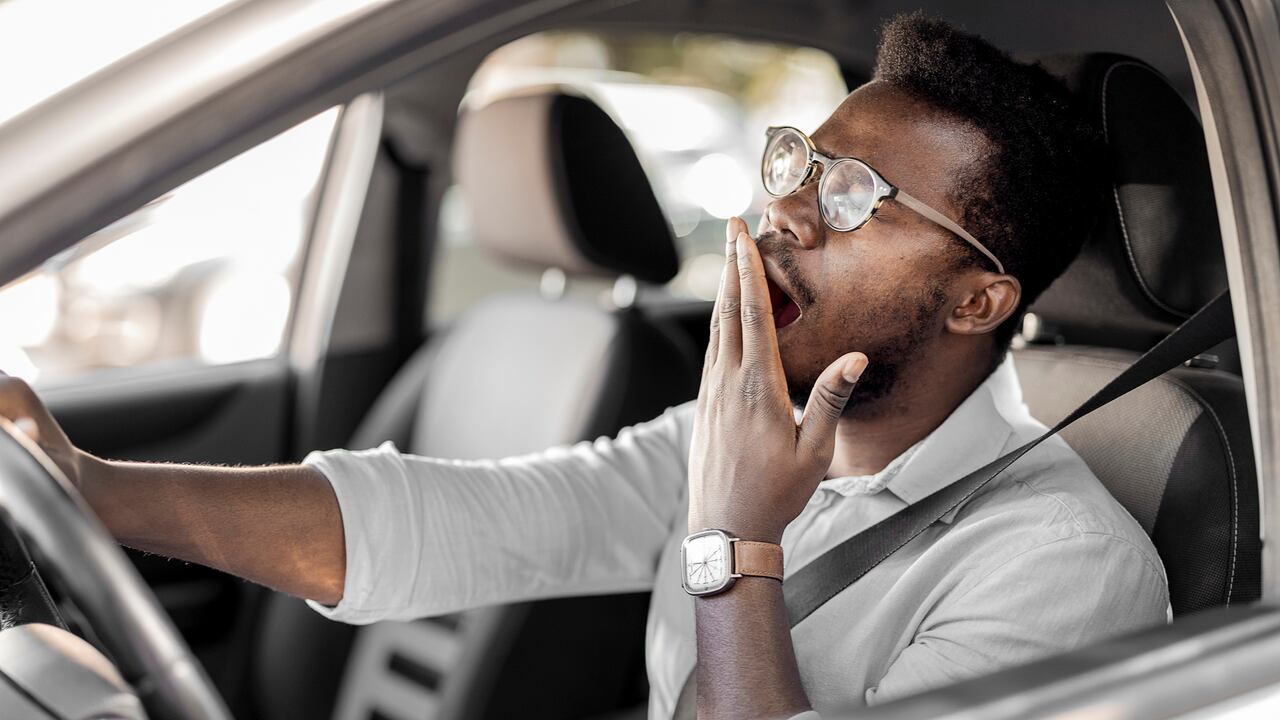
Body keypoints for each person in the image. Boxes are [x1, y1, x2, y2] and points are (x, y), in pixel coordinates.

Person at [0, 13, 1168, 720]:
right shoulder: (736, 430)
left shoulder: (1060, 568)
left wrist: (729, 540)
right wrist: (92, 490)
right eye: (797, 168)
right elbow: (468, 521)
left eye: (859, 198)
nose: (789, 216)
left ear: (978, 299)